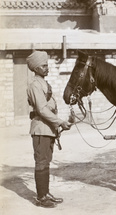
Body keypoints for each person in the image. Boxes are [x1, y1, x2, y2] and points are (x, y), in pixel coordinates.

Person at [26, 51, 72, 208]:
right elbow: (42, 109)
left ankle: (45, 193)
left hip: (48, 129)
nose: (47, 68)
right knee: (41, 162)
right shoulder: (34, 85)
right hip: (40, 129)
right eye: (43, 66)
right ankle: (41, 198)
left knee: (46, 162)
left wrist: (59, 124)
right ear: (36, 68)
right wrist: (59, 122)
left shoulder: (44, 84)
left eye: (46, 65)